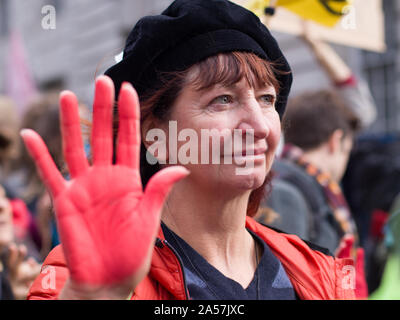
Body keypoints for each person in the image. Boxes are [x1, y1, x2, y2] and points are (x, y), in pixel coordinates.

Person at [24, 0, 356, 300]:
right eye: (223, 100)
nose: (259, 126)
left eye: (267, 98)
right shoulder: (89, 270)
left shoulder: (318, 271)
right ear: (155, 134)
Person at [258, 89, 367, 297]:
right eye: (348, 151)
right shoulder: (287, 192)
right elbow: (286, 283)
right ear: (336, 141)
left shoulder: (294, 184)